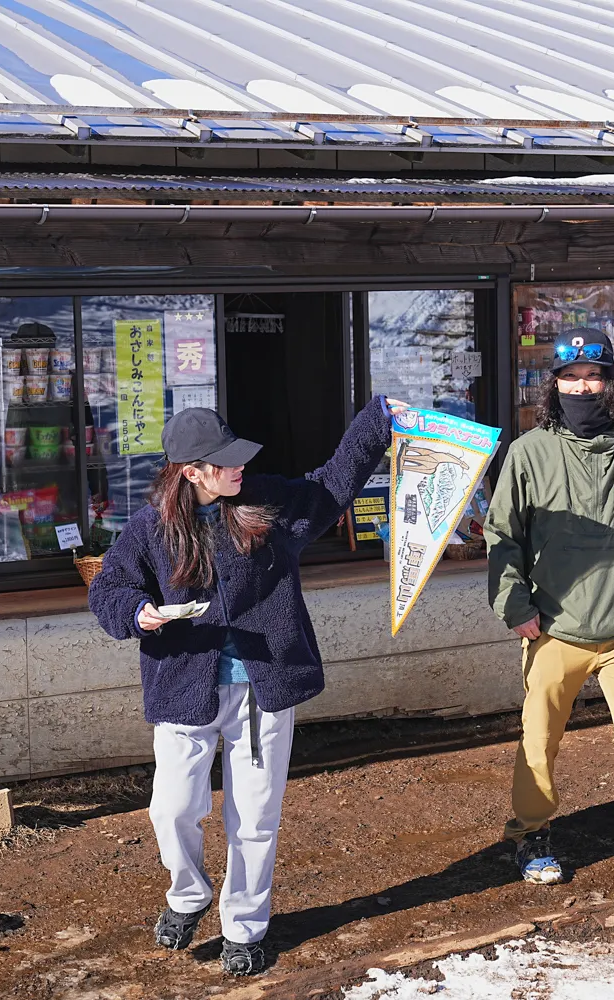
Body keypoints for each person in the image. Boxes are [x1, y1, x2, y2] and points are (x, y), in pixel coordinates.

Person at [88, 397, 402, 976]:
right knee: (172, 809)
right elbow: (108, 589)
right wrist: (139, 613)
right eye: (224, 462)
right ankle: (188, 895)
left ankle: (244, 926)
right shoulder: (149, 527)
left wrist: (378, 419)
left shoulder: (268, 505)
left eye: (238, 458)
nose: (239, 469)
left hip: (262, 686)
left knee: (254, 816)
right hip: (183, 686)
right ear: (190, 472)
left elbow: (331, 486)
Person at [484, 328, 614, 911]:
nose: (583, 386)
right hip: (552, 626)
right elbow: (503, 536)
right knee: (540, 740)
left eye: (593, 376)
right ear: (553, 385)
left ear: (611, 383)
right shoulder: (531, 451)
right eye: (571, 377)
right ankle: (531, 834)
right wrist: (515, 607)